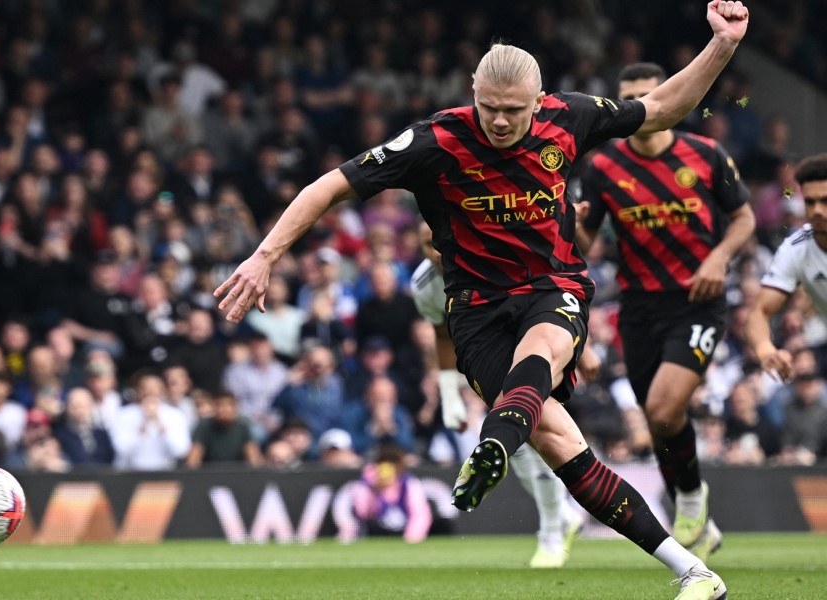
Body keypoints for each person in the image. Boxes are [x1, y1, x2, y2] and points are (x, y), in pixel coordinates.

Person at [215, 3, 749, 597]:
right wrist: (265, 255)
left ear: (539, 99)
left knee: (541, 352)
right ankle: (695, 571)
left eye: (514, 110)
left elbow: (663, 108)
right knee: (565, 447)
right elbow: (330, 186)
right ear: (473, 92)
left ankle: (495, 440)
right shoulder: (434, 140)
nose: (500, 120)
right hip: (475, 311)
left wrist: (722, 45)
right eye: (490, 107)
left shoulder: (569, 117)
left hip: (554, 288)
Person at [575, 62, 756, 561]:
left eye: (648, 95)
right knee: (660, 420)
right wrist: (576, 226)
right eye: (628, 97)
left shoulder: (705, 155)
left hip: (696, 302)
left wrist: (719, 256)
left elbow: (744, 218)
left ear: (670, 97)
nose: (640, 106)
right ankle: (699, 517)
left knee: (661, 407)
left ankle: (692, 498)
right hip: (637, 309)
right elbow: (584, 245)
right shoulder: (604, 168)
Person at [412, 220, 583, 568]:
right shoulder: (425, 286)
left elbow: (552, 292)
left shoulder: (493, 256)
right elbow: (443, 335)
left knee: (535, 435)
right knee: (515, 447)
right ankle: (561, 517)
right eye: (427, 246)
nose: (436, 252)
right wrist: (448, 397)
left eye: (438, 242)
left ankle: (552, 532)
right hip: (491, 360)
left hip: (533, 347)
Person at [746, 153, 827, 382]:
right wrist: (765, 351)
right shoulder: (795, 248)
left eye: (825, 201)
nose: (817, 210)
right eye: (810, 202)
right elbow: (759, 313)